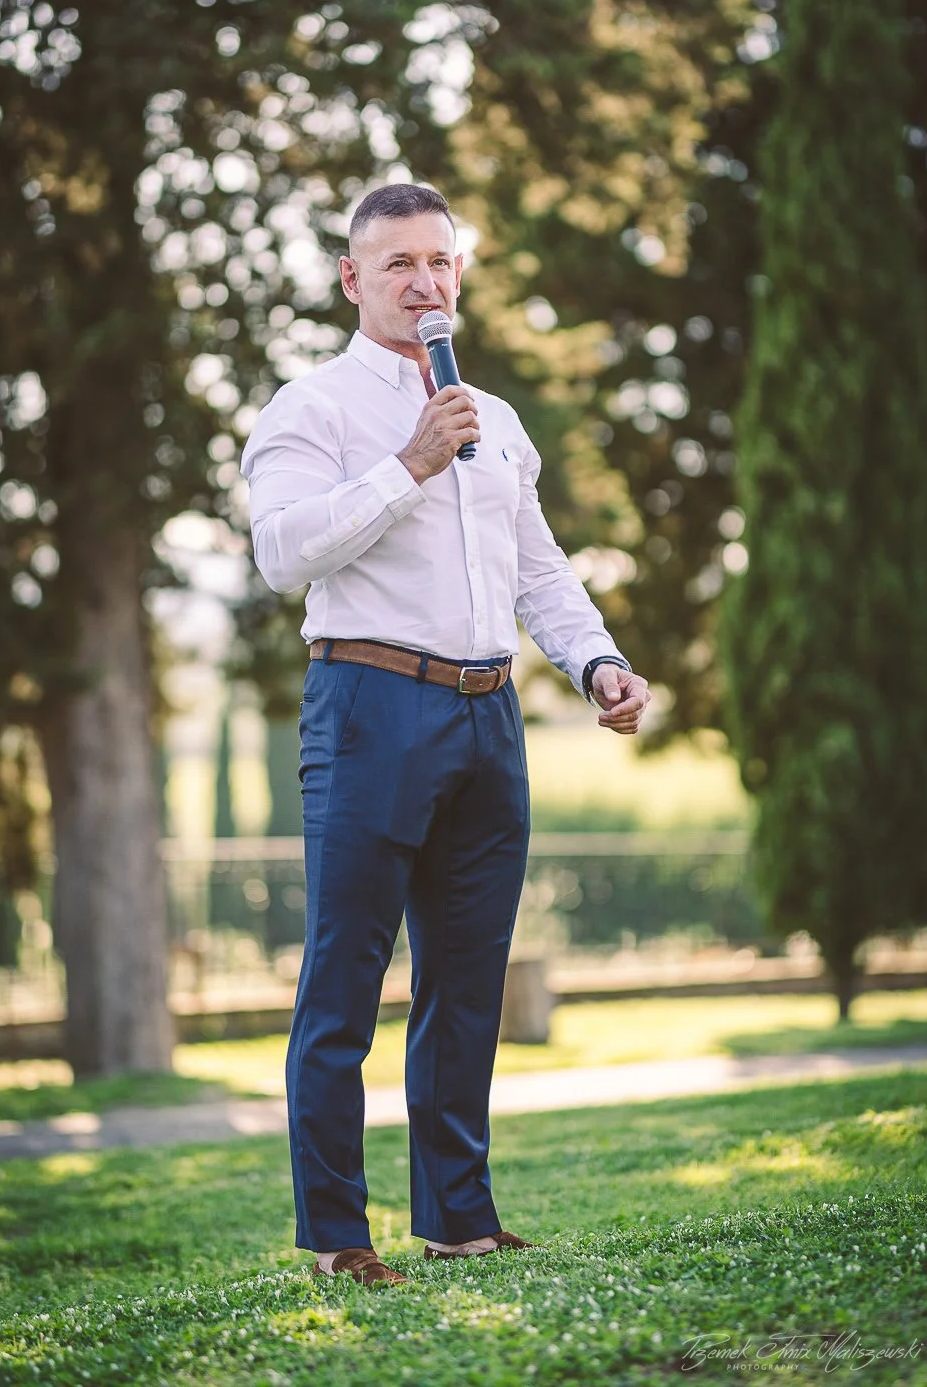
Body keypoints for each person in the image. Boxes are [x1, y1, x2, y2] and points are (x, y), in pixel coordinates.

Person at [241, 182, 650, 1288]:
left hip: (488, 712)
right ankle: (336, 1237)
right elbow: (279, 554)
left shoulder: (498, 419)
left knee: (467, 986)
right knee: (343, 987)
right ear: (351, 280)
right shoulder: (310, 408)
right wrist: (407, 463)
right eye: (398, 267)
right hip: (370, 708)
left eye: (439, 263)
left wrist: (596, 660)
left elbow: (538, 571)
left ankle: (458, 1220)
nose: (425, 284)